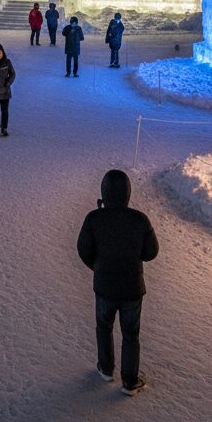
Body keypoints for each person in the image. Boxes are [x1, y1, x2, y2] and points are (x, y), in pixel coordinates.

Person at [76, 169, 159, 396]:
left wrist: (99, 267)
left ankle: (105, 367)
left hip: (104, 286)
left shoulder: (94, 218)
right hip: (132, 287)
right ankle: (130, 381)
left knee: (104, 327)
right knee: (131, 333)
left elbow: (83, 249)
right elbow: (151, 252)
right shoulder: (139, 219)